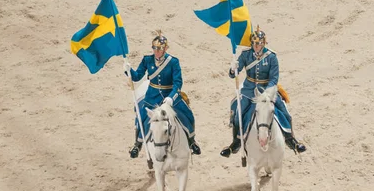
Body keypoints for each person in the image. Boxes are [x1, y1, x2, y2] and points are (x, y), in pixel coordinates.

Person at [220, 25, 306, 157]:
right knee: (238, 115)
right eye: (254, 43)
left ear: (264, 43)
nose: (256, 46)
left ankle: (291, 140)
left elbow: (274, 78)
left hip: (267, 89)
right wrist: (233, 68)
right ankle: (235, 143)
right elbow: (233, 75)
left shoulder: (271, 57)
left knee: (285, 113)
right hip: (249, 90)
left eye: (259, 44)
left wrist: (268, 93)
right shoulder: (245, 54)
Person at [124, 31, 201, 158]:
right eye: (154, 48)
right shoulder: (147, 60)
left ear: (165, 49)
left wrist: (171, 97)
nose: (156, 51)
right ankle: (137, 145)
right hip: (152, 96)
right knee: (141, 117)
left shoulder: (173, 62)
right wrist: (129, 70)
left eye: (159, 48)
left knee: (187, 114)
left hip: (169, 94)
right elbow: (137, 76)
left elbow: (177, 83)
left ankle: (192, 141)